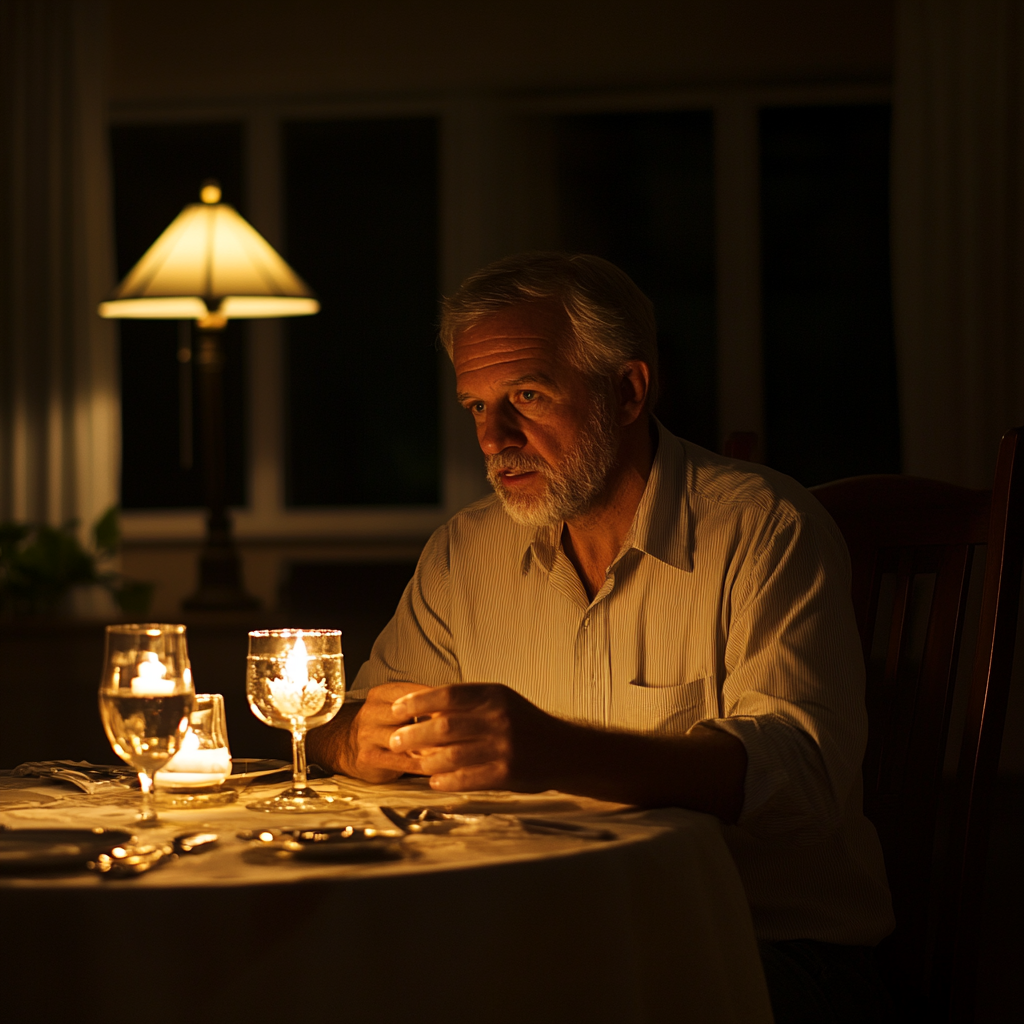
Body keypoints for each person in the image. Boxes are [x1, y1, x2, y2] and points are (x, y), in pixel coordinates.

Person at [308, 252, 894, 1022]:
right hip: (536, 934)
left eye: (526, 395)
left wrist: (547, 746)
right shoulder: (464, 552)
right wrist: (356, 741)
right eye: (476, 407)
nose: (495, 438)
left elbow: (803, 773)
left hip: (760, 947)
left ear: (627, 390)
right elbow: (342, 721)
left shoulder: (763, 527)